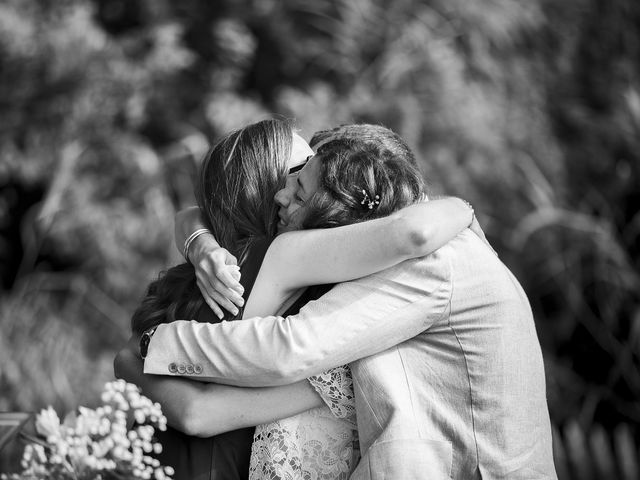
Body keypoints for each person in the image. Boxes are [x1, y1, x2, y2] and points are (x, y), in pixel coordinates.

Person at [141, 130, 559, 479]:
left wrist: (152, 345)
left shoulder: (431, 259)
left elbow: (290, 348)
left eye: (298, 187)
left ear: (340, 211)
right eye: (288, 179)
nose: (283, 197)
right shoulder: (317, 263)